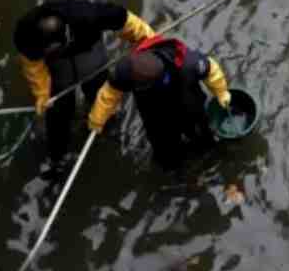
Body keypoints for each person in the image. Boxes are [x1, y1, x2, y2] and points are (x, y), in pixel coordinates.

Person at [14, 1, 155, 167]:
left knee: (99, 94)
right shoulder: (26, 33)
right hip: (59, 71)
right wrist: (42, 93)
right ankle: (57, 158)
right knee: (58, 112)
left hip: (90, 56)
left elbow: (126, 21)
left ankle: (105, 126)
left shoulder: (88, 16)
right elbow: (33, 65)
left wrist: (151, 43)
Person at [87, 35, 233, 171]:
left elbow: (212, 69)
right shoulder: (126, 71)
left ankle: (209, 152)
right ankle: (176, 170)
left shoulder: (189, 64)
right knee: (165, 152)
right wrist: (97, 120)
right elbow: (109, 94)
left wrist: (222, 93)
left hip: (189, 108)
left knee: (203, 137)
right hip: (155, 118)